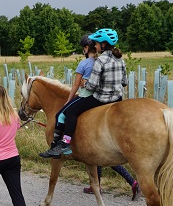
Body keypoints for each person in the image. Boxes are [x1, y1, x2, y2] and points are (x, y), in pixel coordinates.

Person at [40, 28, 126, 158]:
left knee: (71, 112)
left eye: (96, 43)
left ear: (103, 45)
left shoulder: (100, 61)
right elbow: (124, 82)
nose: (95, 46)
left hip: (101, 98)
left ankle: (65, 143)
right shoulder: (120, 60)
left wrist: (84, 83)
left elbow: (92, 86)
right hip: (117, 98)